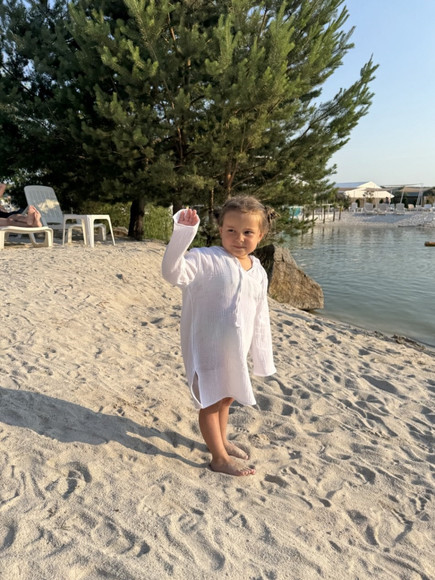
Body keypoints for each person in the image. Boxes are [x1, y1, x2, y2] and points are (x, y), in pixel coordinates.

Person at [162, 196, 276, 476]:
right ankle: (219, 458)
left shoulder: (258, 270)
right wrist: (183, 233)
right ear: (220, 229)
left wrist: (260, 354)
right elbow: (172, 272)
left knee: (227, 397)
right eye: (231, 230)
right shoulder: (205, 259)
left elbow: (260, 314)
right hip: (207, 348)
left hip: (236, 350)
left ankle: (221, 441)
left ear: (260, 235)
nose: (239, 238)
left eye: (248, 232)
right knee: (211, 402)